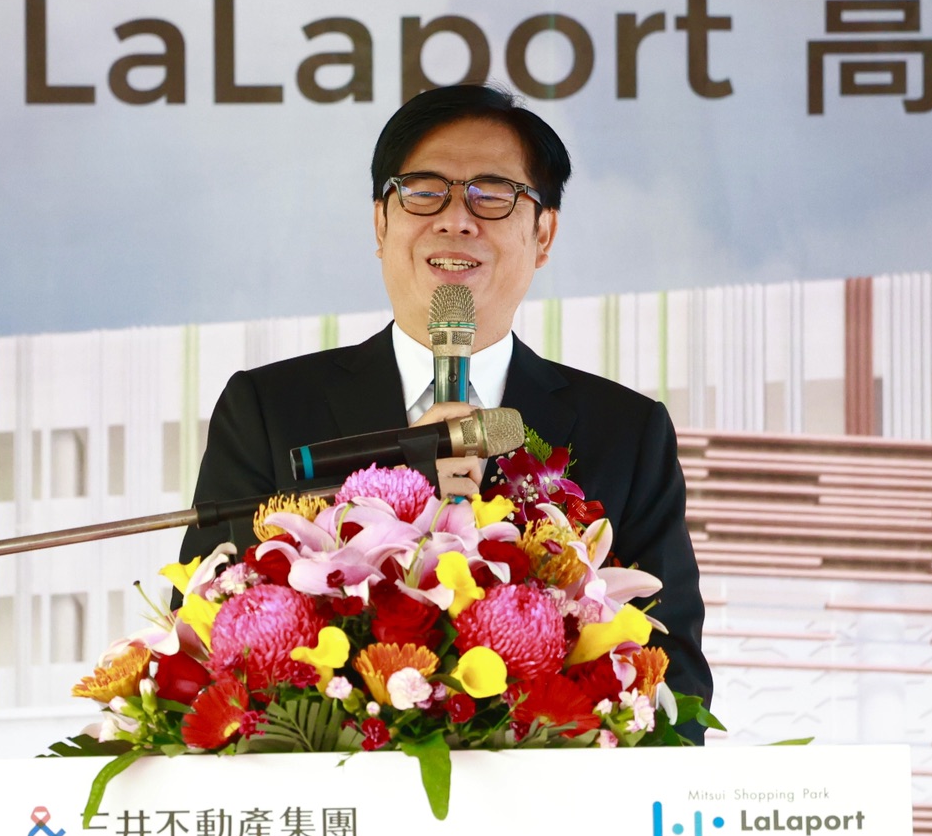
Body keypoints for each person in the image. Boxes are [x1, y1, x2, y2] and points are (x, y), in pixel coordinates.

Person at [179, 84, 712, 714]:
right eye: (424, 190)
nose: (456, 219)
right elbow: (204, 644)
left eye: (493, 194)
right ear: (381, 223)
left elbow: (675, 681)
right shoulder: (269, 409)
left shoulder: (625, 431)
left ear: (543, 234)